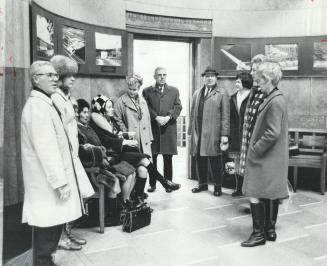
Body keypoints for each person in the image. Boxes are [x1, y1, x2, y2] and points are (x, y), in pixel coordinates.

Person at [21, 61, 83, 266]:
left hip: (48, 182)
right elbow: (46, 150)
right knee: (47, 232)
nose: (55, 78)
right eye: (48, 75)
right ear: (35, 79)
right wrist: (60, 182)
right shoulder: (38, 107)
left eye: (55, 75)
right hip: (47, 183)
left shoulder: (44, 102)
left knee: (50, 229)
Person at [90, 94, 179, 208]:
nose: (112, 109)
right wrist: (125, 142)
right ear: (101, 109)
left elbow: (117, 134)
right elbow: (106, 140)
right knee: (144, 159)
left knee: (142, 169)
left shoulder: (109, 120)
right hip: (112, 156)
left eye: (112, 106)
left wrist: (128, 137)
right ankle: (164, 182)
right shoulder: (97, 123)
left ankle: (138, 201)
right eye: (108, 107)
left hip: (120, 153)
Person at [241, 61, 289, 247]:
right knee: (265, 194)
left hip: (265, 158)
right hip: (270, 158)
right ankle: (264, 231)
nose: (257, 84)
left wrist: (255, 149)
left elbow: (272, 132)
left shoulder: (275, 100)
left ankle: (258, 234)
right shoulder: (275, 96)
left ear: (267, 79)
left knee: (254, 192)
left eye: (259, 80)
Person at [50, 55, 94, 251]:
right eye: (69, 76)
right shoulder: (56, 98)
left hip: (72, 156)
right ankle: (61, 237)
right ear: (59, 76)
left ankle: (66, 233)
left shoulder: (66, 97)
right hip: (64, 158)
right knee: (65, 199)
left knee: (79, 196)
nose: (73, 79)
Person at [114, 74, 181, 192]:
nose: (132, 92)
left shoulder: (142, 100)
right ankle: (163, 182)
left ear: (139, 88)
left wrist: (149, 137)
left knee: (145, 166)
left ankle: (142, 193)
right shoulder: (120, 102)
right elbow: (117, 120)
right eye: (130, 89)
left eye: (135, 89)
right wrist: (127, 133)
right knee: (142, 166)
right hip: (132, 140)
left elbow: (147, 120)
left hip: (144, 140)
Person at [77, 98, 136, 212]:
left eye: (88, 112)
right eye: (84, 112)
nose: (87, 115)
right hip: (95, 167)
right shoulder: (78, 129)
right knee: (117, 179)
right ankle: (113, 215)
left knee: (131, 172)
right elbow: (84, 151)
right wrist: (101, 152)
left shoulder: (88, 127)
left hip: (105, 161)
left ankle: (123, 205)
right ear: (77, 113)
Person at [188, 66, 230, 197]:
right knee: (200, 159)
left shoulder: (222, 93)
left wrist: (224, 135)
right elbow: (192, 113)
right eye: (207, 76)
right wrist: (190, 131)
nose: (209, 78)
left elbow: (225, 116)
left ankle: (218, 187)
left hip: (213, 133)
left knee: (215, 160)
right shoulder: (197, 93)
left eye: (212, 76)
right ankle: (202, 184)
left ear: (216, 78)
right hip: (198, 132)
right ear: (204, 78)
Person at [143, 67, 182, 193]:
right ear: (155, 76)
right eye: (159, 75)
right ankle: (152, 184)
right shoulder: (147, 91)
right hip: (153, 129)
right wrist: (156, 117)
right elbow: (145, 106)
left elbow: (178, 106)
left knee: (167, 158)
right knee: (152, 157)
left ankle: (168, 184)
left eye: (164, 74)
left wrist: (168, 116)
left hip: (168, 128)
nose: (162, 77)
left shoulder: (174, 91)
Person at [228, 72, 253, 196]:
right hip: (235, 135)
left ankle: (248, 189)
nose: (236, 84)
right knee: (237, 162)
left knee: (248, 162)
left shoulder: (252, 97)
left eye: (238, 81)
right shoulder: (232, 97)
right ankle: (238, 188)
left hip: (248, 135)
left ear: (245, 82)